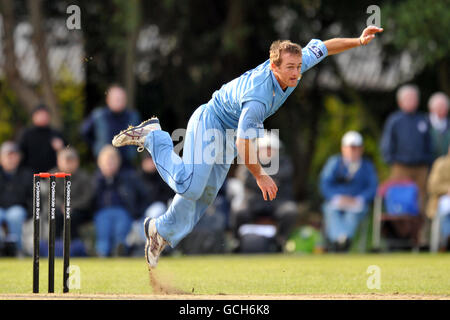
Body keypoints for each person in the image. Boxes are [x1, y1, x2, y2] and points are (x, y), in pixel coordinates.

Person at [112, 26, 384, 268]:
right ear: (273, 66)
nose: (297, 73)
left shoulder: (294, 67)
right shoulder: (259, 97)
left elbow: (325, 47)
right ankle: (154, 137)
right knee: (189, 186)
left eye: (299, 66)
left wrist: (358, 42)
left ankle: (160, 232)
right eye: (290, 67)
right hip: (211, 122)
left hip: (229, 134)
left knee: (205, 195)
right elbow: (244, 144)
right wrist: (259, 174)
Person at [232, 132, 298, 250]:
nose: (268, 152)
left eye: (271, 149)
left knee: (290, 211)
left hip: (278, 201)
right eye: (265, 149)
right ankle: (237, 241)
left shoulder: (285, 162)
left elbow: (285, 174)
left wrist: (259, 179)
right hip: (254, 202)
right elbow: (245, 178)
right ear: (257, 150)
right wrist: (267, 181)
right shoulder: (249, 162)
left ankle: (280, 241)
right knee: (239, 211)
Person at [319, 131, 378, 251]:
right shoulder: (334, 163)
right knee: (331, 211)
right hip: (337, 202)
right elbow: (325, 184)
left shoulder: (367, 166)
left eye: (355, 148)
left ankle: (340, 242)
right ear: (343, 148)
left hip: (357, 203)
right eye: (350, 148)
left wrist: (359, 199)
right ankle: (342, 240)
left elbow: (372, 187)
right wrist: (337, 197)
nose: (352, 151)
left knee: (352, 215)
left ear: (361, 149)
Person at [380, 84, 433, 212]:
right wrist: (390, 160)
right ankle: (398, 231)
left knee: (421, 201)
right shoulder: (394, 120)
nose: (412, 101)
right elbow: (387, 143)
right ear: (400, 101)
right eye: (409, 98)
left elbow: (429, 143)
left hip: (421, 168)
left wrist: (427, 160)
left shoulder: (423, 119)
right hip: (400, 167)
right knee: (400, 202)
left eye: (414, 98)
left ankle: (420, 231)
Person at [92, 145, 149, 257]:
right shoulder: (95, 180)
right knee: (104, 230)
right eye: (106, 162)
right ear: (100, 163)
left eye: (112, 162)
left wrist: (137, 213)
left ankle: (120, 250)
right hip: (102, 212)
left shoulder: (128, 178)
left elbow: (144, 195)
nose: (109, 165)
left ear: (118, 162)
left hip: (122, 212)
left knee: (121, 228)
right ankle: (103, 252)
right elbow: (89, 200)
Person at [81, 84, 141, 167]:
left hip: (127, 166)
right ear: (108, 100)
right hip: (104, 166)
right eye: (116, 99)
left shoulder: (133, 117)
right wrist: (97, 147)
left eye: (121, 99)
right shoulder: (98, 116)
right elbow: (85, 132)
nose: (119, 101)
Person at [50, 147, 93, 256]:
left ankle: (75, 248)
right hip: (57, 211)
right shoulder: (52, 176)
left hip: (78, 212)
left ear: (77, 162)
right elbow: (50, 195)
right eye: (66, 160)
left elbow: (87, 197)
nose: (69, 164)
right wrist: (62, 205)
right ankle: (57, 247)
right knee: (56, 216)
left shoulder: (84, 177)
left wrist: (70, 206)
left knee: (72, 216)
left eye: (71, 160)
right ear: (58, 161)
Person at [0, 141, 32, 256]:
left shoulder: (27, 175)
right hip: (1, 210)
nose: (11, 159)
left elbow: (33, 198)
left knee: (15, 215)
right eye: (8, 155)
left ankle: (16, 250)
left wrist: (29, 214)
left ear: (18, 158)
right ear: (1, 157)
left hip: (19, 210)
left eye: (14, 155)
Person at [18, 104, 66, 173]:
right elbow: (20, 154)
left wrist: (61, 149)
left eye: (46, 115)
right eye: (40, 115)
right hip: (31, 175)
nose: (43, 117)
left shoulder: (56, 134)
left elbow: (67, 152)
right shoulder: (27, 134)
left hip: (53, 175)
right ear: (34, 117)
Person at [426, 145, 450, 250]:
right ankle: (447, 239)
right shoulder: (440, 164)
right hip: (443, 199)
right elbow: (432, 186)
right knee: (446, 207)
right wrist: (447, 189)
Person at [427, 92, 450, 160]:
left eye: (443, 106)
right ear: (431, 108)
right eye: (438, 107)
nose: (441, 109)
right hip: (430, 164)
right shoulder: (425, 124)